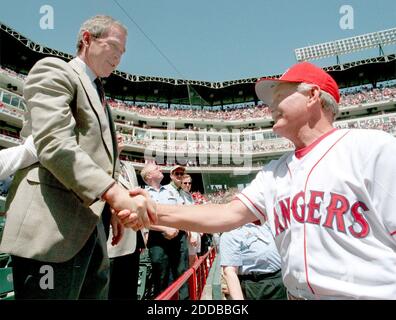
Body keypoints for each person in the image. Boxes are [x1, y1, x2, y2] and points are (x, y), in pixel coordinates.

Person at [124, 61, 396, 299]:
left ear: (313, 95)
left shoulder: (373, 149)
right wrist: (152, 210)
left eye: (280, 96)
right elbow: (225, 214)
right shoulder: (274, 171)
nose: (270, 107)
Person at [0, 15, 155, 299]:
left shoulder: (102, 97)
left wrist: (110, 209)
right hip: (52, 227)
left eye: (123, 53)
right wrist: (113, 193)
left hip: (91, 226)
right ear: (87, 39)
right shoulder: (54, 70)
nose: (119, 58)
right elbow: (54, 143)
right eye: (114, 48)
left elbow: (102, 161)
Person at [141, 163, 189, 300]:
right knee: (161, 278)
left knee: (182, 275)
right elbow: (144, 219)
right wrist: (165, 229)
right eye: (156, 169)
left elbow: (181, 212)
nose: (160, 169)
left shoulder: (171, 191)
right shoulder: (144, 194)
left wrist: (176, 229)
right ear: (149, 176)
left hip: (177, 237)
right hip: (157, 240)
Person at [107, 134, 145, 300]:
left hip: (132, 241)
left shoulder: (128, 167)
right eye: (115, 131)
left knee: (128, 292)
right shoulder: (100, 162)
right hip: (110, 240)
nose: (121, 135)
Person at [220, 221, 286, 300]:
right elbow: (229, 272)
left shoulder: (261, 226)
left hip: (279, 280)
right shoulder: (230, 234)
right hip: (258, 286)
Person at [181, 174, 200, 267]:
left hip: (194, 231)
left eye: (189, 183)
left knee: (194, 259)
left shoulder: (190, 196)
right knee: (189, 262)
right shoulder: (181, 195)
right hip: (189, 233)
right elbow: (184, 217)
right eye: (185, 183)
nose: (188, 185)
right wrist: (191, 234)